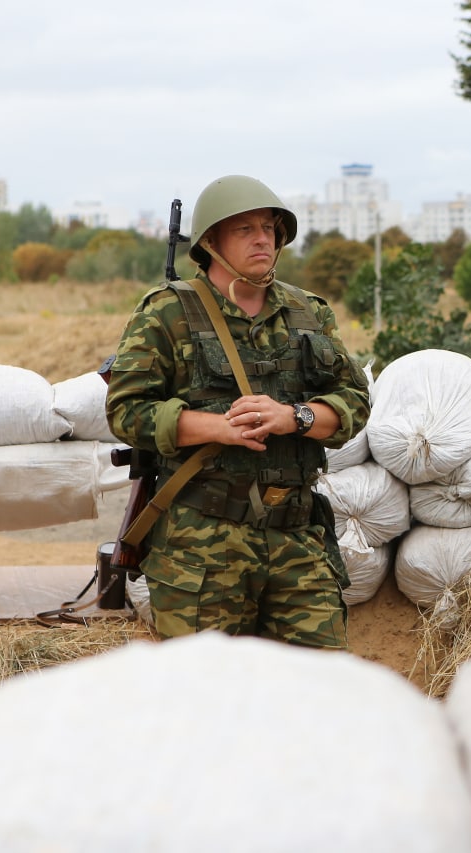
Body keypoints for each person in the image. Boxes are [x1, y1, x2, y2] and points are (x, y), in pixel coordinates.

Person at [106, 175, 371, 649]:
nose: (262, 238)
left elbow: (353, 400)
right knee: (205, 700)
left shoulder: (308, 313)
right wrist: (218, 427)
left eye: (269, 228)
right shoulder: (165, 313)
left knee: (321, 690)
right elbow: (127, 411)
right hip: (201, 546)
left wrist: (298, 417)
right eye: (245, 229)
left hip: (298, 540)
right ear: (211, 242)